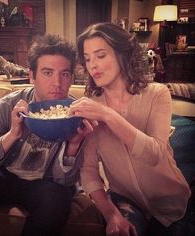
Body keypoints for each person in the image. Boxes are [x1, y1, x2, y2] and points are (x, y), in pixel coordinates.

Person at [0, 34, 95, 236]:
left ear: (71, 78)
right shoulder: (8, 106)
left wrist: (73, 146)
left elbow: (66, 183)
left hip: (46, 185)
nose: (57, 83)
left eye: (65, 74)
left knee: (56, 202)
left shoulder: (77, 115)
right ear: (32, 76)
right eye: (48, 73)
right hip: (4, 176)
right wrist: (13, 134)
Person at [69, 22, 191, 236]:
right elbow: (88, 171)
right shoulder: (91, 105)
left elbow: (155, 155)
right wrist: (111, 215)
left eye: (100, 55)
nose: (93, 65)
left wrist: (107, 114)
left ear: (122, 54)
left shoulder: (157, 94)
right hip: (125, 202)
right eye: (87, 59)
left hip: (172, 205)